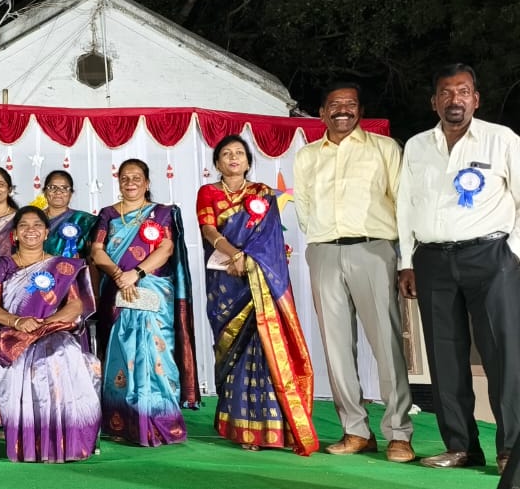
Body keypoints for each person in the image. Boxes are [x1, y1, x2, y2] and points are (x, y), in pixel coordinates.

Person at [397, 64, 520, 473]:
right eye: (447, 92)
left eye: (463, 91)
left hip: (491, 258)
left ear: (476, 99)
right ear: (434, 101)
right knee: (444, 356)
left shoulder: (502, 139)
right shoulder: (417, 146)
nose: (455, 99)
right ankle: (461, 446)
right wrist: (406, 261)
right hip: (433, 260)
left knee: (502, 354)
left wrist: (512, 253)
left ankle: (511, 450)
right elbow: (405, 205)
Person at [294, 82, 413, 462]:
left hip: (373, 249)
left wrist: (406, 259)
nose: (342, 110)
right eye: (334, 104)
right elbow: (303, 205)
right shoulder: (307, 156)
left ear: (360, 110)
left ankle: (399, 433)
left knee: (386, 344)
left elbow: (403, 202)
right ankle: (356, 430)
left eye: (350, 104)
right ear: (322, 112)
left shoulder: (384, 148)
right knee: (336, 347)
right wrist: (319, 242)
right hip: (324, 251)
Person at [197, 135, 318, 455]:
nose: (233, 158)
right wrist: (235, 255)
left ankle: (272, 428)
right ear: (217, 163)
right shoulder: (208, 192)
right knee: (233, 351)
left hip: (260, 279)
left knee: (266, 348)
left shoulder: (262, 192)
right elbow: (208, 229)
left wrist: (248, 261)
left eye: (239, 153)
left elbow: (269, 238)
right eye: (226, 154)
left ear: (248, 161)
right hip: (226, 280)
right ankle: (240, 427)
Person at [0, 206, 101, 463]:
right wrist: (18, 321)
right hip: (12, 336)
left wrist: (46, 324)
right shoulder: (4, 265)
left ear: (46, 232)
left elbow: (75, 305)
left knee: (62, 354)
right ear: (15, 234)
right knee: (27, 362)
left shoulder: (62, 267)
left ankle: (62, 441)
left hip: (51, 331)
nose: (31, 230)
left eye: (37, 225)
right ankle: (31, 442)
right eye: (24, 225)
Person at [91, 159, 198, 447]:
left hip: (153, 288)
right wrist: (119, 276)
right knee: (121, 352)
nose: (130, 183)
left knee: (156, 352)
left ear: (147, 182)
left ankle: (161, 421)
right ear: (119, 182)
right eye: (125, 178)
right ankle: (122, 421)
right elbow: (97, 250)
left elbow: (166, 247)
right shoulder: (108, 214)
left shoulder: (161, 213)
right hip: (116, 291)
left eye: (137, 177)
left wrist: (135, 274)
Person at [42, 170, 97, 260]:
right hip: (34, 268)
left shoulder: (85, 220)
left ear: (71, 193)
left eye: (64, 188)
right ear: (44, 192)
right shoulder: (33, 219)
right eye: (52, 187)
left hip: (73, 268)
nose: (58, 192)